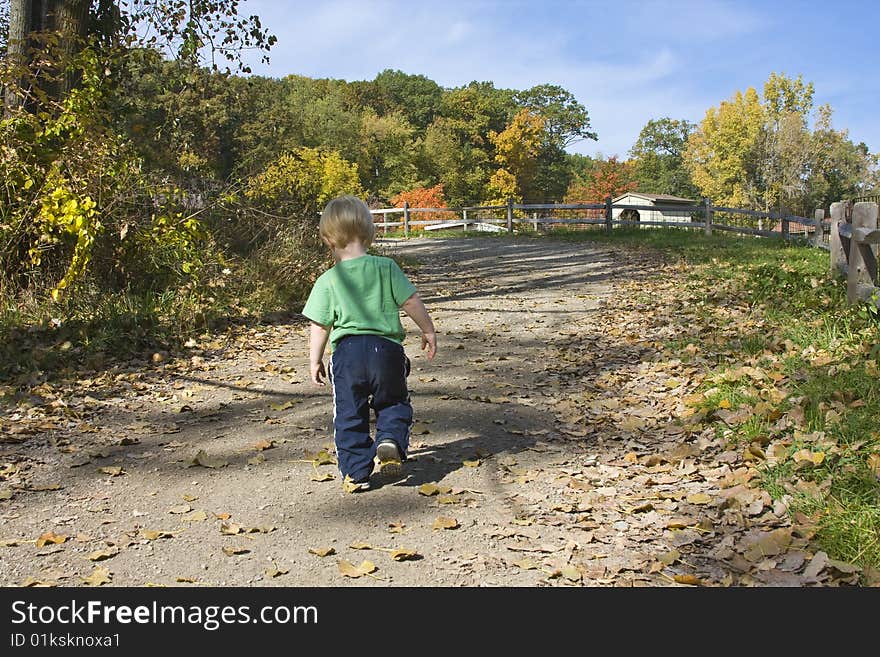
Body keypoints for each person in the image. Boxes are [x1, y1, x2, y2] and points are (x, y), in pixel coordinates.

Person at [302, 195, 437, 492]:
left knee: (350, 413)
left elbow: (320, 324)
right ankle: (389, 439)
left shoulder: (328, 279)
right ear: (369, 232)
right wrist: (427, 330)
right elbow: (411, 300)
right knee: (393, 402)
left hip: (347, 356)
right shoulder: (386, 267)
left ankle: (355, 472)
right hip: (387, 351)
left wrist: (315, 359)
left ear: (328, 239)